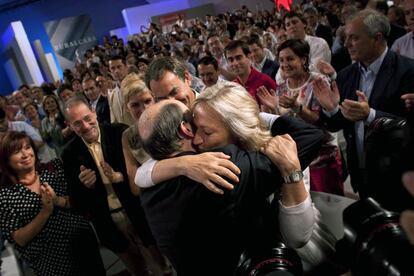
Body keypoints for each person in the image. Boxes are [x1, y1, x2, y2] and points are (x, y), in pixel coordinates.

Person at [137, 94, 322, 275]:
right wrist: (252, 115)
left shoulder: (149, 189)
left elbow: (142, 173)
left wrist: (178, 165)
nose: (198, 139)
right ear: (185, 129)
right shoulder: (224, 166)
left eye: (206, 131)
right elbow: (311, 136)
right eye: (194, 126)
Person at [313, 9, 414, 197]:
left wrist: (371, 115)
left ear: (377, 38)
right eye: (345, 38)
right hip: (361, 175)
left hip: (399, 179)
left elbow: (409, 127)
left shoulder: (408, 71)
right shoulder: (346, 75)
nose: (346, 44)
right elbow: (338, 124)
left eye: (354, 38)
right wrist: (331, 109)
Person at [61, 96, 157, 276]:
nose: (86, 126)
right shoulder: (68, 153)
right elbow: (76, 200)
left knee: (160, 268)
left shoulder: (120, 132)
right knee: (136, 271)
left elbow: (148, 170)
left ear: (93, 111)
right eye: (77, 124)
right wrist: (85, 186)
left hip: (137, 210)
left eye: (88, 119)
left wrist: (120, 176)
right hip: (108, 222)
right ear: (69, 125)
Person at [0, 131, 105, 276]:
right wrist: (45, 212)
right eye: (17, 151)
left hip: (83, 243)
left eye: (27, 147)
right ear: (6, 160)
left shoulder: (53, 169)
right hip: (51, 262)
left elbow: (79, 201)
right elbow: (20, 239)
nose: (25, 154)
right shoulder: (5, 196)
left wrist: (59, 201)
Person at [257, 39, 343, 195]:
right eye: (281, 60)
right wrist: (271, 108)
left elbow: (321, 121)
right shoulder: (282, 86)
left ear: (303, 59)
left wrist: (297, 107)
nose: (284, 64)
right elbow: (283, 122)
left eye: (290, 59)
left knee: (330, 209)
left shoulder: (318, 81)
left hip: (321, 158)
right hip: (296, 159)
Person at [225, 40, 277, 104]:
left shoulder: (265, 80)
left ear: (248, 57)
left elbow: (280, 109)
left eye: (238, 58)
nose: (235, 63)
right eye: (230, 60)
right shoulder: (232, 87)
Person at [108, 55, 134, 125]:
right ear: (110, 72)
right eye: (113, 68)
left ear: (126, 67)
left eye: (119, 67)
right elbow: (114, 122)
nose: (116, 71)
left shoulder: (137, 86)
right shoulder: (112, 95)